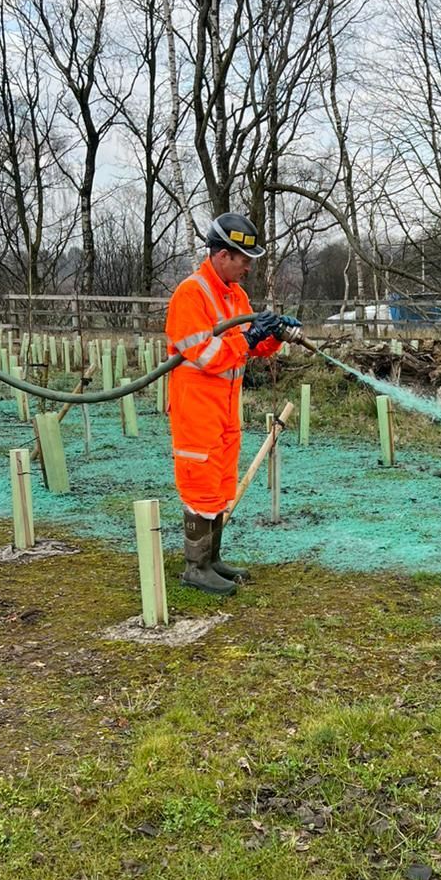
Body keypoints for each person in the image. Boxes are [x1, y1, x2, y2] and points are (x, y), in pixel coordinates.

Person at [165, 212, 300, 595]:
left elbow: (246, 348)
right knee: (200, 479)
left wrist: (273, 336)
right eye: (243, 259)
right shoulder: (191, 295)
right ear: (222, 255)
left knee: (222, 479)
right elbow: (204, 354)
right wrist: (249, 337)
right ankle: (195, 566)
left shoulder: (235, 295)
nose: (248, 267)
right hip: (197, 405)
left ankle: (213, 559)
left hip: (225, 405)